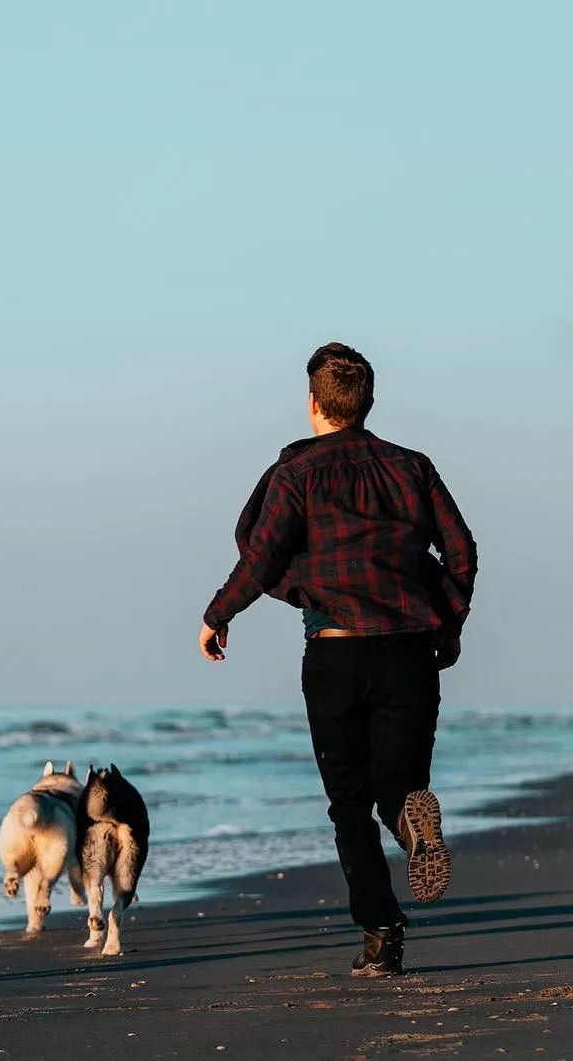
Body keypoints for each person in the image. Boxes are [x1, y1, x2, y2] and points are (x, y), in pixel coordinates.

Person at [198, 343, 477, 976]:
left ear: (314, 403)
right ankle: (413, 825)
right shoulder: (413, 468)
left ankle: (382, 934)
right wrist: (450, 624)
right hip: (412, 652)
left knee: (350, 803)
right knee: (400, 789)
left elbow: (262, 554)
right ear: (368, 402)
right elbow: (460, 552)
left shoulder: (295, 473)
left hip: (336, 653)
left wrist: (218, 615)